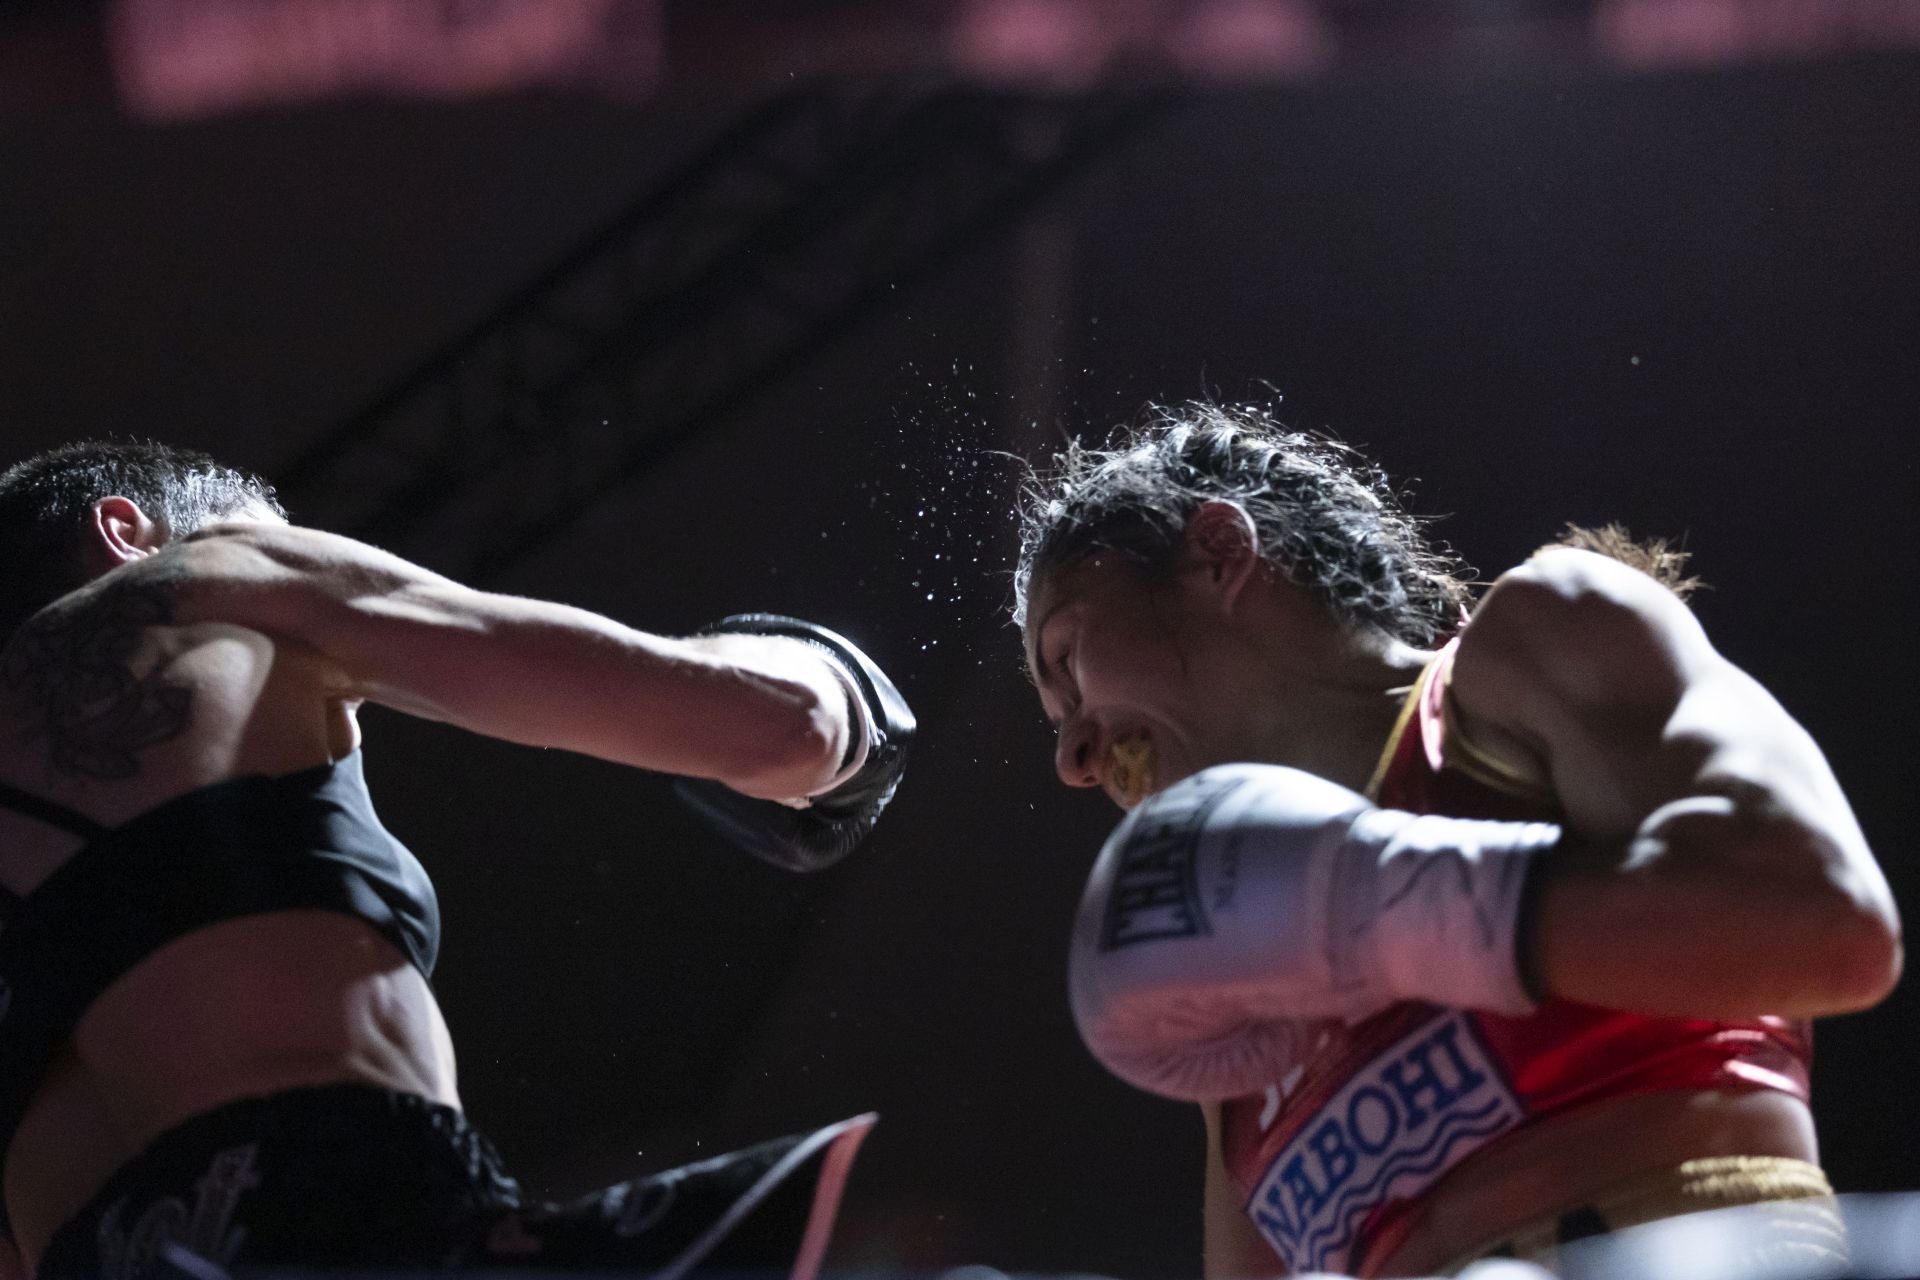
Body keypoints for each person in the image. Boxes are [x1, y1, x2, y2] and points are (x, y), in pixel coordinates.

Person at [1013, 404, 1899, 1279]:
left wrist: (1387, 904)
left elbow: (1833, 925)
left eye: (1069, 661)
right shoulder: (1226, 978)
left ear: (1217, 551)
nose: (1075, 759)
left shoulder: (1536, 644)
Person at [0, 440, 914, 1280]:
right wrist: (841, 697)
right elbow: (772, 728)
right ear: (125, 532)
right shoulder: (202, 579)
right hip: (351, 1215)